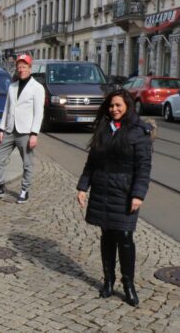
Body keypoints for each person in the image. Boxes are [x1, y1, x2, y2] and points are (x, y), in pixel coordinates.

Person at [77, 89, 153, 307]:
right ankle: (108, 280)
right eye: (111, 106)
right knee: (107, 236)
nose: (114, 109)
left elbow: (144, 167)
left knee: (125, 237)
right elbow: (91, 163)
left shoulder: (139, 131)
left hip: (125, 191)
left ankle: (128, 285)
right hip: (102, 189)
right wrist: (83, 187)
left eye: (118, 105)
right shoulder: (104, 129)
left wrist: (138, 194)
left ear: (128, 106)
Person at [0, 54, 44, 203]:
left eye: (24, 67)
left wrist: (34, 134)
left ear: (30, 68)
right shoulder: (12, 86)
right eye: (19, 67)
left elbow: (38, 113)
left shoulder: (37, 88)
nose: (21, 69)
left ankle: (24, 190)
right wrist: (2, 129)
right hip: (10, 129)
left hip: (26, 131)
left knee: (27, 163)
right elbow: (6, 109)